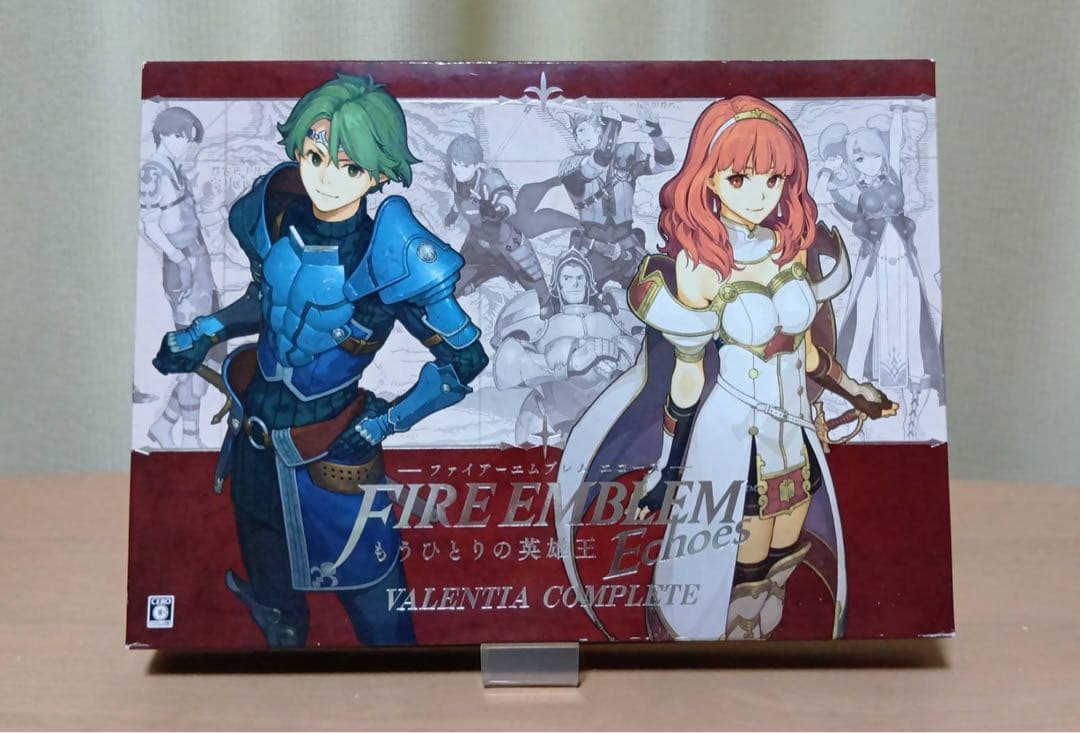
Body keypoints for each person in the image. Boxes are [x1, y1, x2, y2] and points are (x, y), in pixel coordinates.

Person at [153, 74, 488, 647]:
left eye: (349, 167)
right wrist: (206, 330)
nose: (326, 177)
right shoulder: (275, 215)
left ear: (379, 173)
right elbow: (266, 299)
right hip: (255, 439)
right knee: (274, 601)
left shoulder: (392, 255)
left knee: (380, 614)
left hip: (331, 447)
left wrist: (387, 422)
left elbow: (464, 361)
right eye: (315, 156)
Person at [557, 97, 897, 641]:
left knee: (784, 558)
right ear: (709, 179)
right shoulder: (701, 266)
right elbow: (687, 376)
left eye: (773, 179)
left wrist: (856, 391)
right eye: (740, 178)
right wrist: (667, 466)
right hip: (737, 438)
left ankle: (762, 647)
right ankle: (730, 656)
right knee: (744, 573)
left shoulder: (788, 249)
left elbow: (805, 353)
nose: (760, 194)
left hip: (794, 435)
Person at [814, 107, 945, 436]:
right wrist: (828, 170)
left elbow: (896, 143)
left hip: (904, 260)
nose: (869, 163)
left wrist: (897, 114)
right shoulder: (854, 196)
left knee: (910, 315)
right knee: (865, 316)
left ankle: (913, 385)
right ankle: (853, 383)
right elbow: (818, 196)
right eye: (860, 158)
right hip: (874, 261)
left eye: (873, 155)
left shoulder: (894, 177)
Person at [491, 251, 640, 445]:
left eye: (580, 278)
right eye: (567, 278)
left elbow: (649, 349)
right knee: (531, 413)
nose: (574, 284)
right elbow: (506, 368)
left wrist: (621, 359)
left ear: (588, 282)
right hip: (554, 420)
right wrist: (566, 363)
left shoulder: (615, 316)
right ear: (558, 285)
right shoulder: (542, 323)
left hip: (611, 419)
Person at [139, 106, 221, 448]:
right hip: (182, 264)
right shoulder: (152, 172)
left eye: (189, 139)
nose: (187, 144)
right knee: (193, 350)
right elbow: (149, 225)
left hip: (198, 262)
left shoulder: (176, 170)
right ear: (165, 135)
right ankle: (190, 436)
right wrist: (179, 259)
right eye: (182, 137)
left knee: (207, 348)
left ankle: (164, 425)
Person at [558, 105, 675, 287]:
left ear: (599, 128)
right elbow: (598, 163)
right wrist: (613, 126)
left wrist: (656, 134)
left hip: (628, 248)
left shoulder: (625, 154)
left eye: (583, 129)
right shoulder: (569, 165)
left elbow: (665, 165)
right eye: (576, 132)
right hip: (592, 252)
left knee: (653, 291)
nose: (579, 137)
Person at [443, 134, 551, 307]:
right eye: (455, 164)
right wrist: (454, 213)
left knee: (541, 296)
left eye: (465, 166)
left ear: (477, 165)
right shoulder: (455, 179)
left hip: (508, 243)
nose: (458, 171)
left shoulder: (490, 179)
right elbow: (459, 198)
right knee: (453, 286)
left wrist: (498, 211)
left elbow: (506, 199)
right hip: (478, 243)